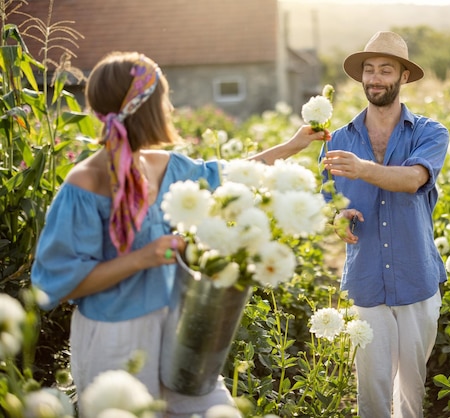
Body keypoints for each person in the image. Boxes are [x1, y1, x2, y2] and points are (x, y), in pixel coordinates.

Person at [30, 51, 327, 418]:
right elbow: (56, 283)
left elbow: (233, 175)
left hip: (178, 327)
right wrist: (143, 257)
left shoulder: (164, 165)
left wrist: (292, 146)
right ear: (144, 108)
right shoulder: (86, 183)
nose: (170, 107)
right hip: (113, 338)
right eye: (163, 98)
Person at [320, 31, 449, 418]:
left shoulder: (429, 133)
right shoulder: (337, 140)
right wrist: (334, 218)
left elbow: (412, 180)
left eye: (386, 70)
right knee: (372, 392)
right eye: (369, 70)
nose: (375, 78)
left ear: (404, 77)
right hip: (366, 278)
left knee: (411, 390)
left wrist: (363, 169)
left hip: (416, 277)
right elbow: (328, 199)